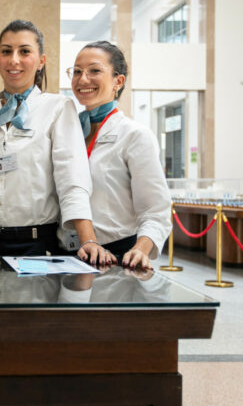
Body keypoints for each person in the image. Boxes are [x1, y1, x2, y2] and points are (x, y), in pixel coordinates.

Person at [0, 19, 114, 265]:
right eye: (6, 51)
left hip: (35, 245)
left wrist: (88, 240)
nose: (14, 60)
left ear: (41, 61)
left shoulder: (58, 109)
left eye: (24, 51)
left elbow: (72, 181)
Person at [63, 40, 172, 270]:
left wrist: (140, 250)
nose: (83, 79)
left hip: (115, 256)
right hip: (65, 253)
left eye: (94, 71)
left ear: (118, 81)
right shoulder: (67, 132)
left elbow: (156, 210)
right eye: (77, 72)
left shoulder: (134, 136)